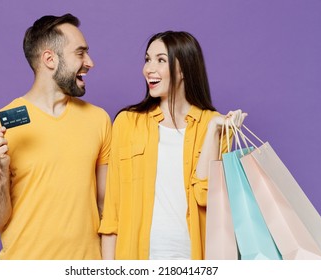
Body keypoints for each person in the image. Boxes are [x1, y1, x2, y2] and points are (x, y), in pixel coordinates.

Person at [99, 31, 246, 260]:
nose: (148, 69)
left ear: (184, 69)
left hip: (194, 258)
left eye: (160, 60)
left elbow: (205, 198)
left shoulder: (213, 125)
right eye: (147, 59)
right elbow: (112, 214)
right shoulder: (127, 123)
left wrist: (213, 133)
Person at [0, 14, 111, 260]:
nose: (90, 62)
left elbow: (108, 209)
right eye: (80, 53)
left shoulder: (99, 119)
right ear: (50, 59)